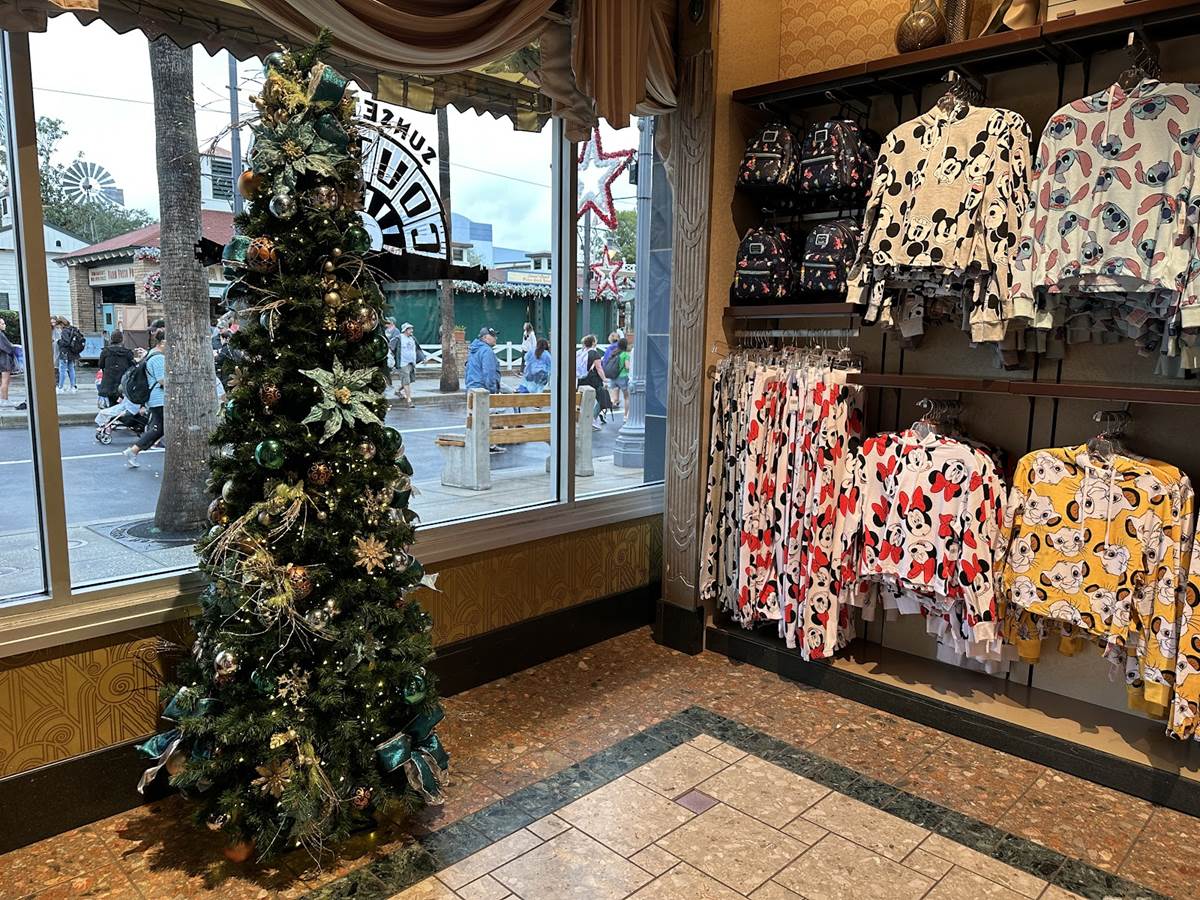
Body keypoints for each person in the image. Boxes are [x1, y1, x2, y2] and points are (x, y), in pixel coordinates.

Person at [123, 328, 166, 468]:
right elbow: (162, 380)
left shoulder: (152, 354)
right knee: (158, 429)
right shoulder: (159, 358)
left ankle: (133, 451)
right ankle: (133, 451)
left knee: (158, 428)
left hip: (155, 399)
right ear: (163, 342)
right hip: (160, 399)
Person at [575, 333, 612, 430]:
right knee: (603, 399)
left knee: (583, 401)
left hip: (582, 379)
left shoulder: (579, 353)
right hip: (593, 380)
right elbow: (599, 368)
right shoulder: (594, 354)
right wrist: (604, 379)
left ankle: (585, 420)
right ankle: (592, 419)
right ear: (593, 343)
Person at [97, 330, 135, 407]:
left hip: (109, 382)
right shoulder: (127, 353)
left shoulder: (106, 351)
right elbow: (132, 367)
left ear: (111, 339)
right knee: (123, 405)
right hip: (123, 382)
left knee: (112, 404)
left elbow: (101, 365)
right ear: (122, 340)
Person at [465, 326, 501, 393]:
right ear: (484, 338)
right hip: (482, 391)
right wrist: (493, 391)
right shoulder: (487, 351)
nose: (496, 338)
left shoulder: (474, 349)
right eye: (493, 336)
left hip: (471, 389)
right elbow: (489, 373)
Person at [395, 322, 423, 408]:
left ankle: (397, 390)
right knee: (406, 381)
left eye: (411, 329)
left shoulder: (413, 338)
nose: (412, 330)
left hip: (412, 363)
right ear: (405, 330)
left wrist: (423, 357)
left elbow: (418, 348)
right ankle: (409, 400)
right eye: (410, 329)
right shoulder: (399, 338)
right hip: (403, 363)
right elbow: (391, 347)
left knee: (409, 380)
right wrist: (394, 360)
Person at [56, 317, 83, 393]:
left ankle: (60, 387)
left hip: (65, 353)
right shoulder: (72, 329)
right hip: (72, 352)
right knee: (71, 369)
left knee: (62, 370)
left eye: (59, 326)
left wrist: (59, 341)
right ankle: (73, 386)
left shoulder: (65, 331)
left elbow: (66, 342)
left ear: (61, 324)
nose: (58, 327)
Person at [0, 316, 16, 408]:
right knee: (5, 381)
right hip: (4, 360)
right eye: (2, 324)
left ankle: (3, 399)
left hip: (2, 360)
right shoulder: (1, 335)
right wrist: (13, 348)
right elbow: (8, 348)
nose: (4, 325)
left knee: (3, 381)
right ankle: (4, 400)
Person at [615, 337, 631, 417]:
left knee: (614, 398)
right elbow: (627, 367)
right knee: (626, 397)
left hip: (614, 376)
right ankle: (625, 416)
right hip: (623, 376)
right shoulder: (625, 354)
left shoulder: (615, 353)